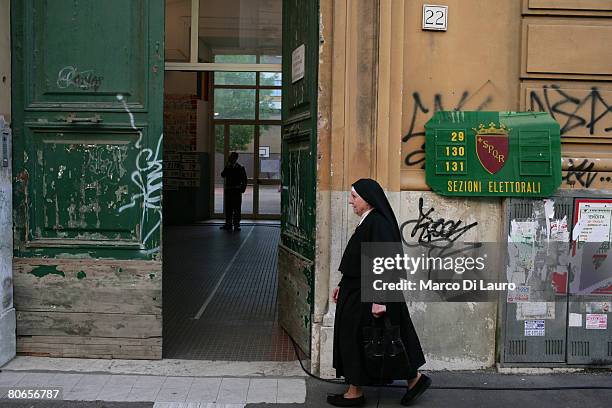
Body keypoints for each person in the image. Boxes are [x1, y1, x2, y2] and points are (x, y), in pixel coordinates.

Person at [328, 178, 430, 407]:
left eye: (354, 197)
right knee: (376, 340)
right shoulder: (370, 221)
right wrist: (342, 285)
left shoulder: (378, 223)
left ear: (368, 199)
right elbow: (361, 260)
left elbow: (386, 261)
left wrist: (379, 300)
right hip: (358, 291)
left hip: (370, 295)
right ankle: (413, 380)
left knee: (369, 340)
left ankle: (357, 392)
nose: (350, 201)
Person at [220, 152, 247, 231]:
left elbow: (244, 179)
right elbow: (223, 175)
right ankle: (228, 223)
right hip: (229, 190)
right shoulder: (228, 167)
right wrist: (226, 167)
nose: (230, 159)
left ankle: (236, 224)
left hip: (236, 190)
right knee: (228, 208)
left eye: (231, 157)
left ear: (235, 158)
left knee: (237, 208)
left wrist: (242, 189)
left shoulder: (240, 168)